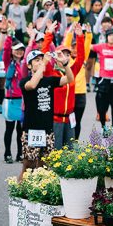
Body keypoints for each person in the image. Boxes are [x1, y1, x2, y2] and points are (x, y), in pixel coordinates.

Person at [19, 50, 74, 179]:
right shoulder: (25, 81)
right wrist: (44, 63)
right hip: (31, 130)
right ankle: (20, 194)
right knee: (28, 166)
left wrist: (65, 63)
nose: (40, 63)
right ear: (29, 65)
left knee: (44, 167)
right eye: (36, 60)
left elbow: (70, 79)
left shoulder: (49, 80)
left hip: (47, 130)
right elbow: (32, 85)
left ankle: (38, 194)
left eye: (41, 60)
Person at [52, 25, 85, 149]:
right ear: (55, 57)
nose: (64, 57)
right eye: (61, 54)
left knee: (70, 151)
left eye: (67, 54)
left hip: (70, 118)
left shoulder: (71, 72)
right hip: (56, 119)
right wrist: (49, 34)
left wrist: (80, 36)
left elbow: (81, 58)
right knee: (56, 151)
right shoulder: (51, 73)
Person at [63, 23, 93, 140]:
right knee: (67, 120)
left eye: (76, 47)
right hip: (68, 93)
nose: (75, 49)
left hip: (80, 94)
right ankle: (67, 142)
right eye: (72, 47)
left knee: (77, 120)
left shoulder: (82, 59)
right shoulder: (66, 60)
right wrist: (70, 32)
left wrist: (88, 34)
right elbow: (66, 44)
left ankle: (75, 142)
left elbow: (86, 46)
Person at [1, 34, 26, 163]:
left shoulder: (24, 64)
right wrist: (9, 35)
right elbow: (5, 50)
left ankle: (20, 154)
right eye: (16, 49)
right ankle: (7, 153)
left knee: (20, 130)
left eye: (21, 49)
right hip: (10, 100)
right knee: (9, 129)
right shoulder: (7, 63)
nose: (19, 52)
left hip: (22, 100)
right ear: (12, 50)